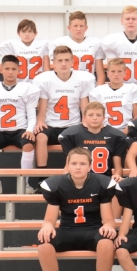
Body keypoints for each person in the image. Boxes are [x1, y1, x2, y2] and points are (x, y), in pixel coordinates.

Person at [36, 148, 117, 271]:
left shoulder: (101, 183)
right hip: (68, 229)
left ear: (90, 166)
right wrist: (47, 225)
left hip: (93, 229)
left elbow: (108, 219)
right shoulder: (57, 184)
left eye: (82, 163)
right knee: (44, 243)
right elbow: (50, 218)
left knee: (107, 243)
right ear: (68, 165)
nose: (78, 167)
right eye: (74, 163)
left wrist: (108, 225)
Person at [0, 55, 40, 195]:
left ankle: (25, 182)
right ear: (1, 70)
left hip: (20, 130)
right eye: (7, 68)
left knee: (29, 144)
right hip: (0, 130)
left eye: (13, 69)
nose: (10, 72)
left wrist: (30, 129)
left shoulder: (27, 88)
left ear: (19, 70)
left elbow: (31, 114)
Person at [32, 46, 96, 177]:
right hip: (50, 125)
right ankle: (41, 177)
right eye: (60, 60)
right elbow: (43, 104)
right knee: (40, 136)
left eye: (67, 60)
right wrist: (39, 121)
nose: (63, 64)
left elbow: (84, 104)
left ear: (73, 62)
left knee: (84, 137)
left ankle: (74, 175)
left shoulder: (82, 79)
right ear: (54, 63)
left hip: (72, 125)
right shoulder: (45, 80)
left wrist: (86, 121)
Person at [58, 102, 129, 181]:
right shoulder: (73, 134)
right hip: (81, 179)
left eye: (98, 115)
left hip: (104, 180)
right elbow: (68, 165)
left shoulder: (115, 135)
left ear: (103, 118)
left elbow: (118, 168)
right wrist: (64, 181)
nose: (95, 118)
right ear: (84, 118)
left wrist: (117, 175)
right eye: (91, 115)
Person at [89, 57, 137, 132]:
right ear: (107, 73)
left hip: (127, 130)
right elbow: (95, 117)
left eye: (119, 71)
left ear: (125, 73)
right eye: (113, 71)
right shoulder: (97, 91)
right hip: (104, 130)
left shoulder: (134, 89)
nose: (116, 74)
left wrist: (126, 132)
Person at [48, 11, 104, 79]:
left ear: (86, 28)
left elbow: (100, 73)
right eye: (75, 26)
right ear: (69, 28)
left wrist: (98, 88)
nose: (78, 29)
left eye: (81, 26)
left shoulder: (95, 43)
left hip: (89, 84)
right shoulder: (59, 43)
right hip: (67, 83)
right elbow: (56, 69)